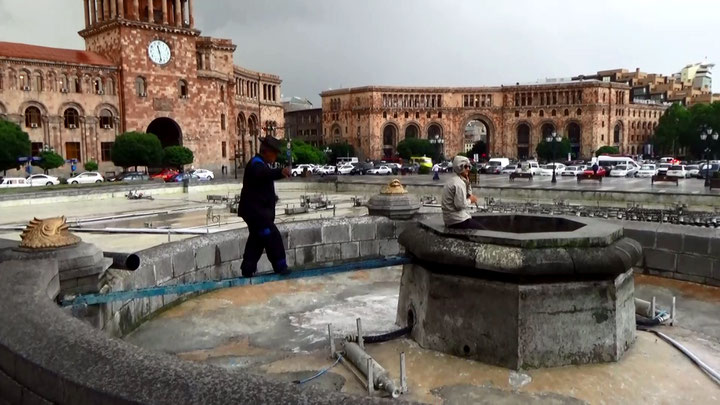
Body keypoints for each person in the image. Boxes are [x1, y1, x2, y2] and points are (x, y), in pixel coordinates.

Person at [238, 137, 291, 277]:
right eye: (274, 153)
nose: (276, 156)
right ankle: (281, 267)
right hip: (257, 214)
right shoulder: (256, 164)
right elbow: (263, 174)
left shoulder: (261, 164)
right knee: (272, 237)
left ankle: (247, 269)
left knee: (257, 240)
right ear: (266, 152)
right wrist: (280, 172)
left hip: (257, 213)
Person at [442, 155, 485, 230]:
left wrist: (467, 182)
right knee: (483, 230)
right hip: (457, 220)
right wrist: (471, 200)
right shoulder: (459, 183)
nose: (468, 169)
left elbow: (468, 195)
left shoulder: (454, 180)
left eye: (469, 167)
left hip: (450, 219)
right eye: (465, 167)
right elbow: (460, 205)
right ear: (459, 167)